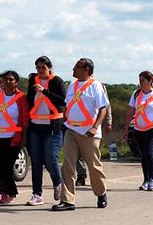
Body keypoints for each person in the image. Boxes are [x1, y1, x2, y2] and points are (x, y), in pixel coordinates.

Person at [52, 58, 108, 211]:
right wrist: (65, 116)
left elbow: (103, 109)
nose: (73, 69)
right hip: (71, 130)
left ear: (87, 70)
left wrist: (95, 127)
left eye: (77, 67)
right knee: (67, 166)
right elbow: (68, 104)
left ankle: (101, 193)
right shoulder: (72, 85)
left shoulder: (96, 86)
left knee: (93, 166)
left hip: (89, 132)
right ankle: (68, 200)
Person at [0, 71, 29, 205]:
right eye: (6, 80)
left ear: (16, 82)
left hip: (13, 138)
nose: (8, 82)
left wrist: (24, 138)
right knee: (1, 166)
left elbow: (25, 120)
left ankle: (7, 192)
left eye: (11, 79)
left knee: (7, 166)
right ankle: (8, 191)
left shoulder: (21, 98)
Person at [25, 56, 66, 205]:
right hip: (35, 126)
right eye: (38, 68)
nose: (40, 71)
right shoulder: (33, 81)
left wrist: (45, 91)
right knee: (36, 161)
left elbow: (63, 100)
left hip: (52, 127)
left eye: (43, 67)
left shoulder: (57, 81)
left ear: (49, 68)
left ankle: (57, 183)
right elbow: (29, 100)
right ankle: (37, 194)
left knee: (51, 159)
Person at [123, 71, 153, 191]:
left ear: (150, 81)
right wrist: (126, 128)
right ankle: (145, 180)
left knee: (149, 151)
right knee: (143, 154)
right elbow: (130, 112)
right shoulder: (136, 94)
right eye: (139, 80)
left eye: (143, 80)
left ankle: (152, 179)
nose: (140, 83)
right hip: (139, 128)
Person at [76, 83, 112, 186]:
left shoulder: (98, 86)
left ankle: (97, 181)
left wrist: (108, 121)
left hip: (92, 126)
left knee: (92, 156)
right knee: (78, 153)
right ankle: (81, 176)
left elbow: (106, 106)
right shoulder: (75, 85)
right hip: (76, 126)